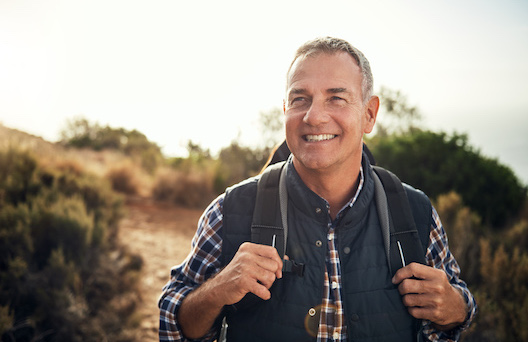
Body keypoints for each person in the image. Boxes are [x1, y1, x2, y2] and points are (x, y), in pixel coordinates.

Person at [159, 37, 477, 342]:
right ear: (285, 110)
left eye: (336, 98)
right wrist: (216, 291)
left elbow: (453, 311)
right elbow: (175, 325)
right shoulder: (229, 210)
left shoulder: (416, 212)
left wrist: (456, 307)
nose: (314, 116)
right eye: (300, 99)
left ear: (369, 114)